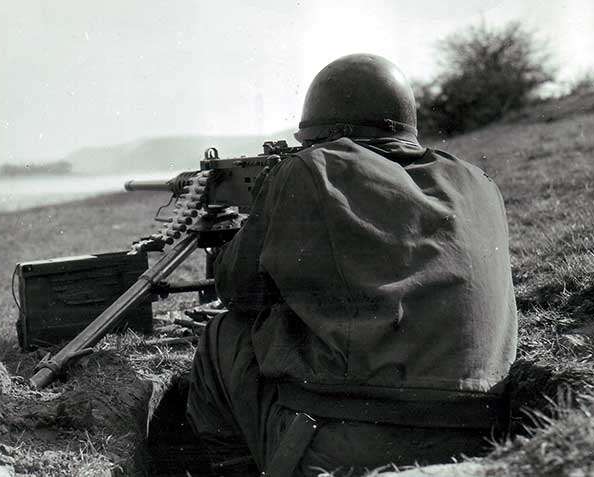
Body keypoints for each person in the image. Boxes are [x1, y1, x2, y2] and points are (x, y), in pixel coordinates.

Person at [185, 53, 517, 476]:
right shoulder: (479, 183)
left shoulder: (308, 169)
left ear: (322, 132)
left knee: (222, 336)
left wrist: (260, 217)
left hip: (343, 444)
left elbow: (237, 290)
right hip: (480, 435)